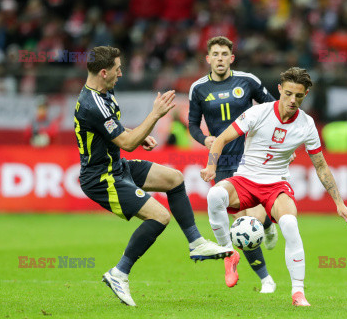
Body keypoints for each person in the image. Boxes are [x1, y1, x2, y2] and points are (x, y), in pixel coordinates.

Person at [74, 46, 232, 307]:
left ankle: (195, 242)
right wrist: (155, 115)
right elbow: (126, 142)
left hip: (117, 167)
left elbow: (114, 129)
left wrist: (137, 133)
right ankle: (119, 273)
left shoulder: (103, 92)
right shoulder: (92, 104)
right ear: (104, 72)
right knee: (160, 217)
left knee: (175, 178)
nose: (121, 73)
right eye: (117, 68)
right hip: (101, 177)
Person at [200, 67, 347, 306]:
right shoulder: (258, 113)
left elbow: (321, 166)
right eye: (289, 93)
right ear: (279, 90)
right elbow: (220, 139)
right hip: (245, 180)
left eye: (299, 96)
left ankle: (298, 293)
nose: (293, 100)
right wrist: (211, 166)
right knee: (214, 195)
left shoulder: (306, 125)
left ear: (306, 95)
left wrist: (339, 203)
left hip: (275, 184)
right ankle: (228, 254)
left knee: (291, 224)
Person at [188, 36, 279, 293]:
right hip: (224, 162)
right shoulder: (198, 89)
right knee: (241, 223)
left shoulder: (247, 81)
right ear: (208, 59)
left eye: (224, 54)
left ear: (231, 58)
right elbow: (193, 124)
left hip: (252, 157)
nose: (219, 58)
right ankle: (265, 279)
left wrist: (279, 142)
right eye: (214, 54)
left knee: (257, 218)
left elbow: (273, 109)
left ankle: (269, 223)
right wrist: (204, 138)